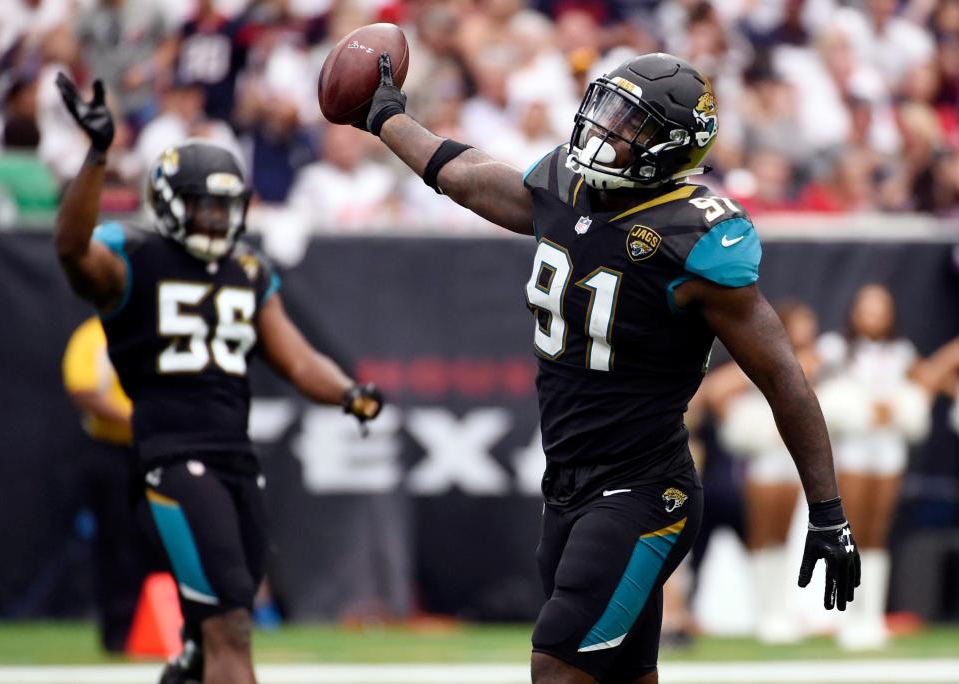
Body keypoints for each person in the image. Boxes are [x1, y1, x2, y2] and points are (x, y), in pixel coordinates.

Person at [350, 51, 861, 683]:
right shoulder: (565, 185)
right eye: (607, 110)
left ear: (672, 146)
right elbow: (467, 174)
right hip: (567, 484)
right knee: (624, 677)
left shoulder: (693, 238)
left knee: (557, 666)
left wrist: (828, 510)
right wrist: (387, 117)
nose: (605, 130)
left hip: (646, 491)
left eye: (630, 124)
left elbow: (784, 378)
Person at [53, 74, 383, 684]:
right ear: (172, 202)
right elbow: (72, 249)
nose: (217, 217)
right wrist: (97, 156)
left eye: (226, 205)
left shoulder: (248, 269)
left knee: (221, 630)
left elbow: (296, 358)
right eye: (205, 203)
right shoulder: (135, 257)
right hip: (173, 454)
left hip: (236, 455)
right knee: (227, 619)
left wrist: (346, 391)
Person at [816, 283, 931, 650]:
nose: (874, 316)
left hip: (888, 448)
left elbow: (926, 380)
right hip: (852, 449)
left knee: (878, 532)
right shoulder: (834, 348)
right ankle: (847, 616)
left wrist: (899, 406)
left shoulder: (902, 351)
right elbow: (808, 380)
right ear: (854, 312)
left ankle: (871, 617)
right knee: (851, 529)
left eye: (881, 309)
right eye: (867, 308)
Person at [712, 300, 823, 644]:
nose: (806, 331)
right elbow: (715, 393)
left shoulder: (821, 358)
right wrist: (749, 427)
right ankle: (765, 613)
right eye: (800, 324)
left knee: (784, 536)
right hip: (763, 459)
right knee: (762, 532)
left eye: (810, 324)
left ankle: (780, 610)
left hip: (791, 459)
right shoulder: (763, 355)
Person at [62, 315, 148, 653]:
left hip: (157, 448)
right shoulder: (94, 335)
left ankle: (177, 628)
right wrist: (138, 418)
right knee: (117, 543)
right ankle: (119, 632)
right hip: (113, 449)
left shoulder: (155, 327)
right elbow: (83, 389)